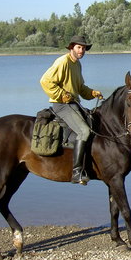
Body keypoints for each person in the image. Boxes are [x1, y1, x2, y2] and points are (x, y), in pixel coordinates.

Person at [40, 35, 103, 185]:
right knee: (84, 131)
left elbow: (80, 88)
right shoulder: (63, 62)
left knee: (94, 125)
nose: (81, 51)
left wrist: (93, 93)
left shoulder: (77, 64)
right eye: (79, 47)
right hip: (62, 105)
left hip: (73, 104)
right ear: (71, 47)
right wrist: (62, 95)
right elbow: (45, 81)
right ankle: (76, 172)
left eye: (84, 48)